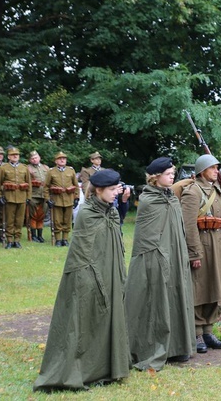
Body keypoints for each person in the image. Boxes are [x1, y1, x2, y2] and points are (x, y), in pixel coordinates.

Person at [33, 169, 130, 391]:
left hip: (110, 272)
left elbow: (115, 237)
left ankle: (108, 366)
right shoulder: (87, 213)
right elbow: (83, 252)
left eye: (117, 189)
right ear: (99, 190)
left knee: (108, 316)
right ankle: (81, 368)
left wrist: (122, 202)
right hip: (87, 274)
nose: (117, 192)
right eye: (113, 189)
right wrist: (90, 278)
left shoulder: (110, 212)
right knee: (83, 321)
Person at [124, 157, 195, 369]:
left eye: (173, 172)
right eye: (167, 173)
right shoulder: (149, 200)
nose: (172, 175)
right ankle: (153, 347)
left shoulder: (171, 198)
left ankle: (177, 346)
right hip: (154, 256)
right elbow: (147, 236)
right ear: (156, 177)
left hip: (175, 255)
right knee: (157, 301)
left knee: (175, 296)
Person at [181, 154, 221, 353]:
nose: (217, 171)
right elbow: (188, 226)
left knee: (216, 287)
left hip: (219, 245)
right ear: (202, 171)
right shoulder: (192, 192)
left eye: (217, 168)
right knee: (200, 289)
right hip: (202, 246)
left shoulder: (217, 190)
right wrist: (194, 253)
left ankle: (208, 330)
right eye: (213, 168)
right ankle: (196, 331)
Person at [0, 147, 32, 249]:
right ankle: (9, 240)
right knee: (9, 220)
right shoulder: (4, 168)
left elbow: (29, 184)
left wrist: (28, 196)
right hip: (9, 197)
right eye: (13, 155)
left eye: (17, 155)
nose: (15, 156)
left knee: (19, 220)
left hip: (22, 197)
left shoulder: (24, 168)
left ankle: (17, 240)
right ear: (9, 157)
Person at [44, 151, 79, 246]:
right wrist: (47, 199)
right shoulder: (51, 172)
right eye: (60, 158)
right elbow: (46, 186)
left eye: (64, 158)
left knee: (67, 220)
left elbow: (76, 185)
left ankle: (65, 239)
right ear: (56, 161)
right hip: (56, 199)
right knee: (57, 220)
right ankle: (58, 239)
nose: (62, 160)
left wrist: (76, 198)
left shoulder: (71, 170)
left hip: (69, 199)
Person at [27, 151, 49, 243]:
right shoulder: (27, 168)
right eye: (32, 158)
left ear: (39, 157)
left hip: (44, 194)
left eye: (36, 157)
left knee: (42, 215)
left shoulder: (45, 167)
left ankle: (40, 235)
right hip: (33, 194)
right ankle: (33, 235)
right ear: (30, 160)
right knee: (33, 215)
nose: (34, 159)